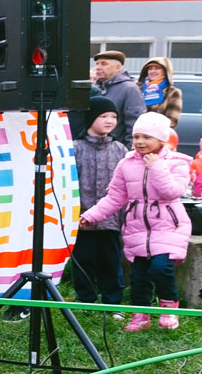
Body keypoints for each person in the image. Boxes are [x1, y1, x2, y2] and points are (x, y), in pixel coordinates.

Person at [80, 112, 192, 331]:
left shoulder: (177, 163)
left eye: (147, 137)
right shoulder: (127, 164)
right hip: (137, 228)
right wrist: (91, 215)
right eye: (136, 137)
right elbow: (114, 197)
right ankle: (141, 314)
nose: (140, 142)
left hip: (168, 226)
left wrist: (156, 167)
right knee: (139, 275)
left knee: (161, 268)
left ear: (161, 140)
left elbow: (172, 191)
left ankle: (169, 307)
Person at [72, 97, 128, 308]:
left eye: (113, 116)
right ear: (90, 118)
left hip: (111, 220)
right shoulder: (76, 148)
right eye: (103, 116)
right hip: (83, 218)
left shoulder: (120, 150)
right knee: (84, 260)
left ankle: (113, 301)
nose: (109, 121)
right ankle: (85, 300)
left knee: (111, 262)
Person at [91, 51, 146, 145]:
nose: (98, 67)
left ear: (118, 67)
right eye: (97, 64)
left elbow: (134, 123)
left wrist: (130, 152)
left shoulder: (129, 89)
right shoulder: (96, 88)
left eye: (104, 64)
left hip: (117, 149)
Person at [141, 57, 184, 127]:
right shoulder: (138, 88)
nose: (152, 71)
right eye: (150, 69)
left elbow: (172, 120)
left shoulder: (172, 92)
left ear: (165, 71)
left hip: (157, 134)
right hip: (135, 134)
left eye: (157, 68)